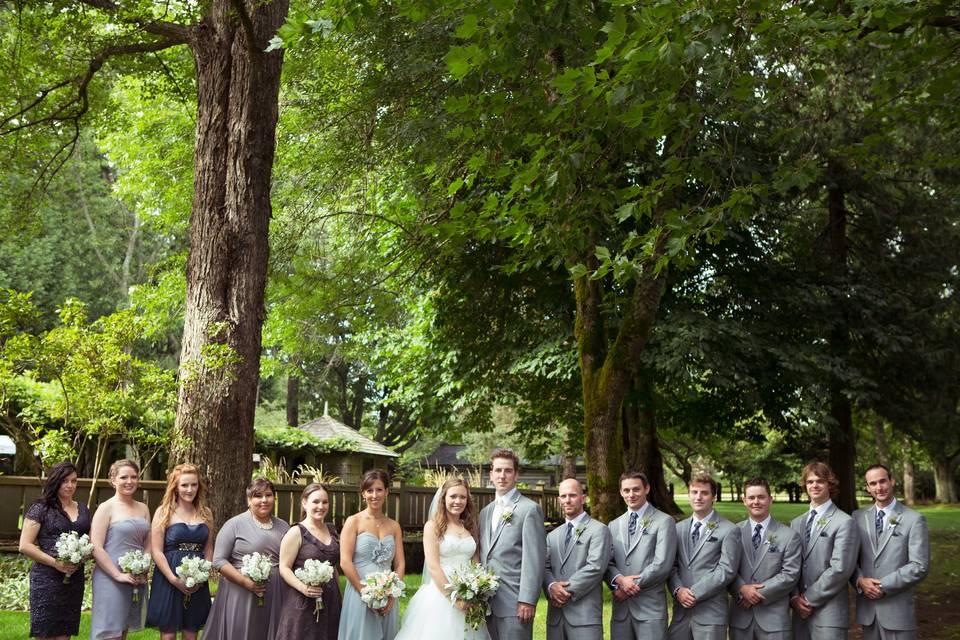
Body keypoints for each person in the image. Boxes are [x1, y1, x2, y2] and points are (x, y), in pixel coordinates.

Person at [396, 476, 489, 640]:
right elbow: (433, 566)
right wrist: (454, 597)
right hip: (441, 594)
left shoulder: (470, 526)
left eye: (462, 497)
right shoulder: (432, 526)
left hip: (469, 593)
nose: (458, 501)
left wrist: (476, 592)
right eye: (453, 496)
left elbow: (476, 562)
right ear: (443, 498)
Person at [203, 476, 290, 640]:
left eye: (268, 495)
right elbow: (219, 560)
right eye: (258, 496)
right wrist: (246, 582)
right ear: (249, 500)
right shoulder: (234, 525)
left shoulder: (283, 526)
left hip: (275, 594)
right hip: (241, 593)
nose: (264, 500)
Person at [851, 464, 930, 640]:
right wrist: (860, 581)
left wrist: (882, 585)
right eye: (873, 484)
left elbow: (919, 566)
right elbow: (850, 560)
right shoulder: (857, 517)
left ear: (892, 481)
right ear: (867, 488)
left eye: (882, 481)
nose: (879, 487)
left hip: (898, 611)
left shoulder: (914, 519)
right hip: (868, 612)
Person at [19, 461, 92, 640]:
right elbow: (25, 545)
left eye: (74, 481)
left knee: (64, 634)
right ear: (55, 481)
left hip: (74, 578)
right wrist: (56, 563)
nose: (70, 485)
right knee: (45, 633)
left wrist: (81, 557)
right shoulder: (40, 508)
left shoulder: (83, 508)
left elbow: (91, 542)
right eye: (65, 481)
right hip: (47, 578)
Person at [478, 448, 546, 640]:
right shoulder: (485, 512)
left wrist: (527, 599)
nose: (502, 475)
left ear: (516, 475)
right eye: (498, 470)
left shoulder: (529, 510)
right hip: (485, 603)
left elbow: (535, 559)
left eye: (507, 471)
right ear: (491, 475)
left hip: (514, 602)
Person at [604, 470, 678, 640]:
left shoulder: (664, 521)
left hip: (649, 609)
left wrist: (630, 587)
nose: (631, 494)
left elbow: (663, 564)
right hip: (621, 610)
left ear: (647, 489)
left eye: (636, 489)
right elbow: (607, 562)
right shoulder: (613, 525)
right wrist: (620, 581)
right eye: (626, 490)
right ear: (621, 492)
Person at [789, 461, 858, 640]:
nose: (815, 485)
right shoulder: (796, 523)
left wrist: (808, 598)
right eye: (810, 481)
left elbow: (840, 569)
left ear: (829, 484)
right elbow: (790, 565)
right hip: (798, 612)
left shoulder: (844, 522)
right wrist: (795, 598)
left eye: (820, 481)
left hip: (829, 613)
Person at [145, 463, 214, 639]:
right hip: (169, 578)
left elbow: (208, 548)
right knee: (168, 635)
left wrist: (202, 576)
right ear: (175, 486)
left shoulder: (206, 513)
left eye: (194, 484)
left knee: (191, 632)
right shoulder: (163, 512)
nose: (190, 489)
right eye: (184, 485)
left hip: (197, 579)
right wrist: (174, 579)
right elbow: (157, 551)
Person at [667, 473, 740, 640]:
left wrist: (694, 593)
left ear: (713, 497)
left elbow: (726, 570)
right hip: (681, 613)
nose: (698, 497)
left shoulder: (729, 530)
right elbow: (671, 566)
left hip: (711, 614)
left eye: (704, 493)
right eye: (694, 492)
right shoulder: (677, 529)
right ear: (689, 495)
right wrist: (678, 590)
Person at [728, 477, 802, 640]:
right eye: (751, 497)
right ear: (744, 500)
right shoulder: (732, 532)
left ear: (770, 500)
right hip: (740, 618)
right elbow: (726, 569)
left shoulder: (789, 535)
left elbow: (790, 574)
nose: (756, 502)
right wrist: (742, 589)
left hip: (774, 620)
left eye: (761, 497)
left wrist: (754, 593)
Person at [338, 468, 406, 640]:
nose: (374, 495)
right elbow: (345, 562)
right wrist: (366, 594)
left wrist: (392, 594)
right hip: (360, 592)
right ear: (363, 494)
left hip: (388, 593)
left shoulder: (394, 526)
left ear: (387, 492)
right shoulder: (353, 522)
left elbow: (399, 564)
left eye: (379, 489)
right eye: (369, 490)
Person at [89, 458, 152, 640]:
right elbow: (96, 546)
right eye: (124, 477)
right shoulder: (105, 508)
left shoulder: (143, 508)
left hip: (135, 577)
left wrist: (143, 568)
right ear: (113, 479)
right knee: (108, 632)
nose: (130, 481)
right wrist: (118, 575)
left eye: (134, 477)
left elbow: (148, 543)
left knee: (123, 630)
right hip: (110, 577)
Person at [542, 478, 612, 640]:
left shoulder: (598, 530)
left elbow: (595, 567)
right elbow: (544, 567)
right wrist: (551, 586)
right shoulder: (552, 536)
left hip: (584, 616)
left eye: (572, 495)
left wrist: (563, 592)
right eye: (563, 496)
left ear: (583, 498)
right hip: (555, 618)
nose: (567, 500)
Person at [277, 483, 342, 640]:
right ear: (304, 503)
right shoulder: (296, 532)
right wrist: (303, 588)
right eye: (316, 502)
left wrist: (341, 597)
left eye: (325, 502)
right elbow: (284, 567)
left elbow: (334, 567)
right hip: (303, 602)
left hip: (331, 601)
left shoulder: (332, 530)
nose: (321, 506)